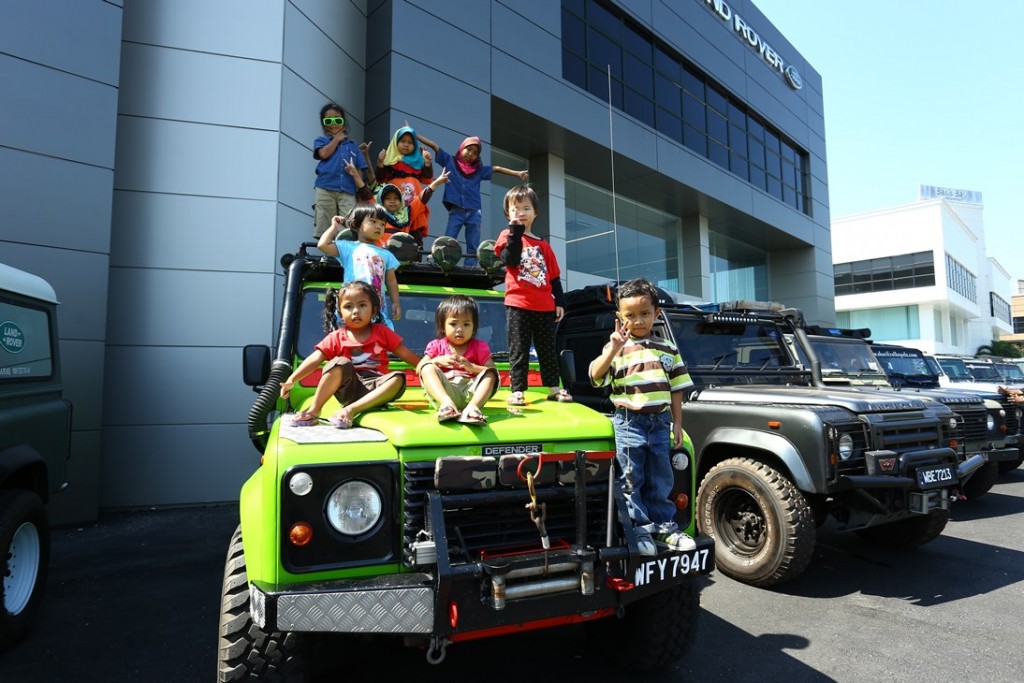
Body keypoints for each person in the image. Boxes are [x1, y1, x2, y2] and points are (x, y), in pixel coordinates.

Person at [588, 277, 696, 557]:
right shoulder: (616, 348)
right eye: (630, 315)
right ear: (619, 317)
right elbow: (594, 375)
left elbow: (676, 389)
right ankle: (638, 528)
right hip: (627, 422)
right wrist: (612, 347)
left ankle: (664, 527)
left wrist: (678, 424)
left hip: (660, 423)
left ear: (657, 313)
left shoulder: (668, 348)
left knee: (661, 477)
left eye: (644, 314)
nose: (637, 321)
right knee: (631, 478)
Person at [281, 281, 420, 429]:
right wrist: (292, 379)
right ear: (340, 313)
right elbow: (315, 358)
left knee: (399, 378)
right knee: (339, 362)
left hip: (377, 388)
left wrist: (426, 367)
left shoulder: (382, 332)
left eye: (362, 305)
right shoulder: (336, 337)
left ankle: (350, 411)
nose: (355, 311)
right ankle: (314, 411)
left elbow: (405, 354)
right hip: (349, 388)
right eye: (348, 306)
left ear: (373, 311)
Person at [493, 184, 571, 406]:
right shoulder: (506, 235)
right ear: (508, 213)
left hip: (545, 305)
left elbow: (554, 277)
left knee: (547, 349)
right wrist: (515, 232)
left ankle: (554, 388)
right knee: (519, 349)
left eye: (526, 208)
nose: (521, 212)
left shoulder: (544, 244)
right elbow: (510, 260)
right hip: (518, 303)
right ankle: (518, 390)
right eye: (515, 208)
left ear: (535, 213)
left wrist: (560, 301)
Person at [421, 135, 529, 265]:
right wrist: (414, 134)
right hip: (457, 210)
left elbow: (497, 169)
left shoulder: (478, 171)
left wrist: (517, 173)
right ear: (461, 148)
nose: (471, 154)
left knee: (473, 244)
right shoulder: (450, 161)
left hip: (474, 212)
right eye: (469, 149)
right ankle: (441, 261)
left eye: (475, 153)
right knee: (448, 239)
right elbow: (434, 145)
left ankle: (470, 267)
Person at [416, 294, 499, 425]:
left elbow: (492, 370)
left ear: (474, 327)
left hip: (471, 393)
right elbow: (419, 368)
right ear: (443, 326)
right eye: (453, 324)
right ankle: (446, 405)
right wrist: (437, 361)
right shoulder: (436, 345)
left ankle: (473, 409)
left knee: (491, 373)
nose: (460, 329)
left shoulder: (480, 346)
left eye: (466, 324)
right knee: (427, 367)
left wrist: (472, 367)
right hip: (445, 391)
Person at [318, 204, 402, 329]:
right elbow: (323, 245)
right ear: (357, 223)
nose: (378, 226)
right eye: (373, 221)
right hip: (352, 311)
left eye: (382, 224)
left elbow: (391, 280)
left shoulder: (387, 254)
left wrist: (396, 302)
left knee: (379, 343)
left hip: (376, 312)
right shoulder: (347, 247)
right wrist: (334, 227)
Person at [312, 103, 369, 238]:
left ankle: (343, 250)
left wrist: (359, 190)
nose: (333, 124)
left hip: (348, 190)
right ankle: (325, 252)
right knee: (324, 221)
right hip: (326, 187)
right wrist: (336, 139)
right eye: (328, 121)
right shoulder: (321, 140)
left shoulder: (353, 145)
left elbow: (360, 170)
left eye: (337, 120)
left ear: (343, 122)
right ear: (324, 124)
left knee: (348, 224)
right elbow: (323, 154)